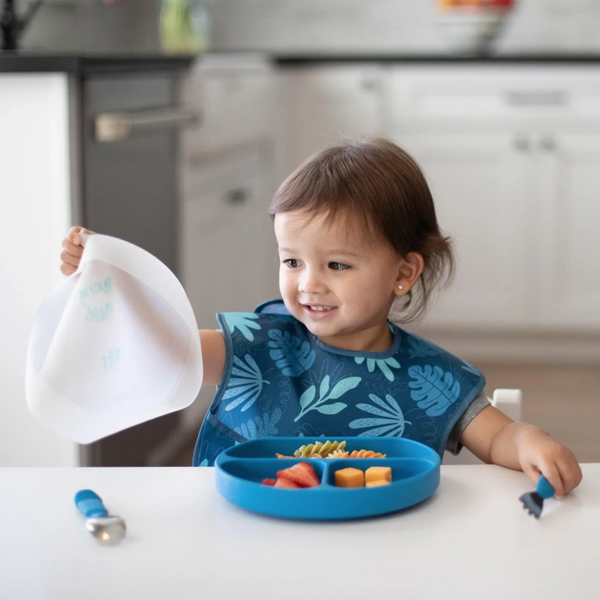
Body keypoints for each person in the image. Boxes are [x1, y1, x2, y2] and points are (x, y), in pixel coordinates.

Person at [60, 138, 582, 498]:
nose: (308, 283)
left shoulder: (432, 378)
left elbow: (497, 437)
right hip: (243, 542)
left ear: (404, 272)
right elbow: (169, 349)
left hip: (379, 548)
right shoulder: (259, 344)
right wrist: (113, 286)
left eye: (337, 264)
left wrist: (533, 441)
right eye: (292, 261)